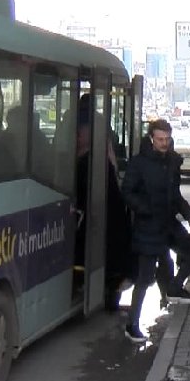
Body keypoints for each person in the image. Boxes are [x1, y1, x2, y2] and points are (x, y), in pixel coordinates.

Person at [120, 119, 190, 342]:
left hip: (168, 223)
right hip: (148, 226)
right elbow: (127, 192)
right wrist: (145, 209)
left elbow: (174, 195)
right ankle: (132, 324)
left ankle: (173, 289)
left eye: (167, 139)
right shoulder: (139, 163)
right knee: (145, 278)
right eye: (160, 139)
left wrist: (189, 215)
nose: (164, 143)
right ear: (151, 139)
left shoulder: (172, 162)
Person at [73, 104, 133, 312]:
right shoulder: (101, 156)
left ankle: (106, 288)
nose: (76, 136)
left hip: (102, 219)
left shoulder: (93, 161)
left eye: (80, 132)